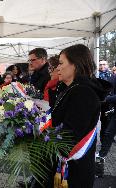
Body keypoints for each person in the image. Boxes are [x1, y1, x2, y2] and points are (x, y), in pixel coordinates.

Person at [49, 44, 109, 188]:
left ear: (75, 65)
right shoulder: (71, 89)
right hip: (68, 168)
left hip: (74, 171)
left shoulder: (83, 93)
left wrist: (35, 135)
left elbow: (69, 136)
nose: (57, 68)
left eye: (61, 63)